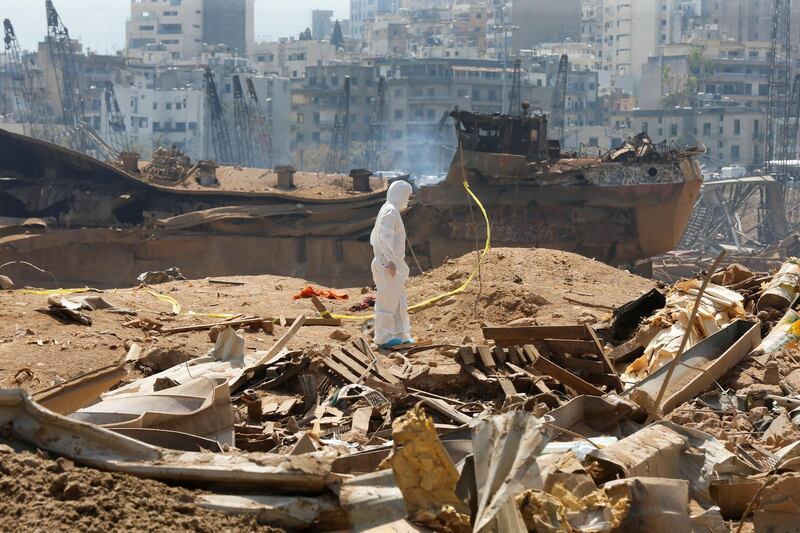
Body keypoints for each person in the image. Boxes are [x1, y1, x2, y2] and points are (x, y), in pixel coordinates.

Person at [370, 180, 414, 348]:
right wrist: (389, 261)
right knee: (387, 304)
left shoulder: (389, 209)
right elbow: (383, 237)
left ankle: (398, 335)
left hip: (392, 264)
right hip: (388, 265)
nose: (407, 200)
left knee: (398, 302)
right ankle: (383, 337)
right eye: (407, 196)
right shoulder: (390, 211)